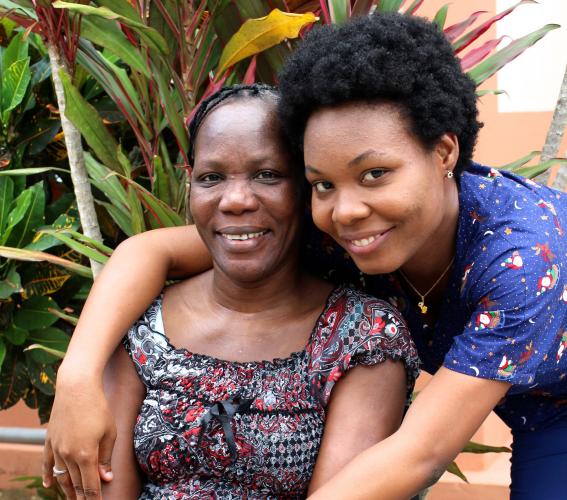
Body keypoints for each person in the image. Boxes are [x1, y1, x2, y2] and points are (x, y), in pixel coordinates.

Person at [44, 12, 566, 500]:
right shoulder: (340, 228)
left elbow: (420, 452)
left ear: (444, 152)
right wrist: (78, 376)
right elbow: (151, 250)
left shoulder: (524, 259)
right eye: (321, 183)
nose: (347, 210)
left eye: (375, 174)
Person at [47, 83, 418, 499]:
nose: (236, 200)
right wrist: (75, 380)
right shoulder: (141, 322)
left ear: (308, 187)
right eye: (212, 177)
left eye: (268, 175)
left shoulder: (362, 336)